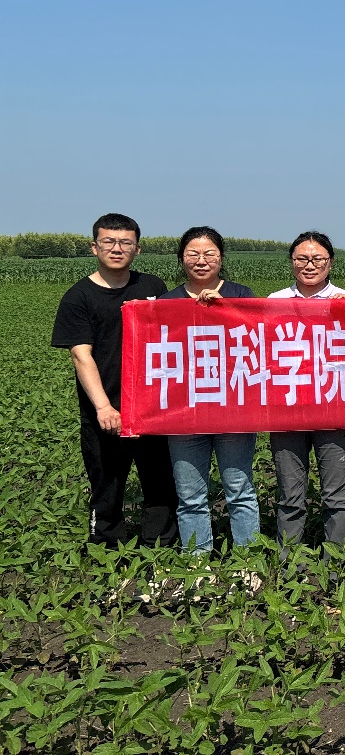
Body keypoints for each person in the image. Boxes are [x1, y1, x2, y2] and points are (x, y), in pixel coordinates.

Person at [51, 213, 178, 547]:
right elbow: (81, 355)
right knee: (107, 484)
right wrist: (104, 407)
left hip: (152, 409)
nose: (117, 248)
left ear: (137, 249)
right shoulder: (79, 296)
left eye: (125, 242)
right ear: (94, 247)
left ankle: (159, 551)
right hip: (107, 410)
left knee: (160, 483)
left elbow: (174, 334)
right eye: (109, 241)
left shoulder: (152, 287)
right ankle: (106, 551)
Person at [161, 227, 260, 554]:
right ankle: (197, 563)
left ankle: (247, 562)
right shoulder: (166, 302)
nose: (201, 260)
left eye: (209, 254)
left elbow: (257, 340)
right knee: (190, 496)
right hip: (184, 414)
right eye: (193, 254)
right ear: (181, 258)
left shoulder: (240, 294)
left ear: (221, 258)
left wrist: (225, 308)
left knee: (239, 489)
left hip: (233, 411)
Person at [267, 231, 345, 562]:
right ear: (291, 262)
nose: (309, 265)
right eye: (302, 258)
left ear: (330, 262)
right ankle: (289, 563)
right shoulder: (274, 301)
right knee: (290, 494)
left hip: (335, 409)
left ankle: (336, 564)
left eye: (317, 258)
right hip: (288, 409)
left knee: (336, 495)